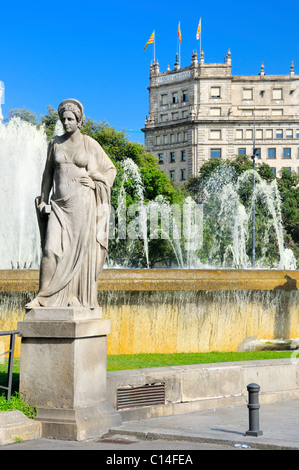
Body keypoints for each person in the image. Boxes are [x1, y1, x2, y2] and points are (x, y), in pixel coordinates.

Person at [26, 99, 116, 308]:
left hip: (82, 204)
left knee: (77, 253)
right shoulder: (55, 143)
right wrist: (43, 199)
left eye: (70, 119)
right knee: (50, 249)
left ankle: (73, 297)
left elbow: (110, 171)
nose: (66, 123)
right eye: (63, 119)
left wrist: (95, 180)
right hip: (58, 205)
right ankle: (42, 297)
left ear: (79, 120)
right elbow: (47, 175)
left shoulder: (89, 144)